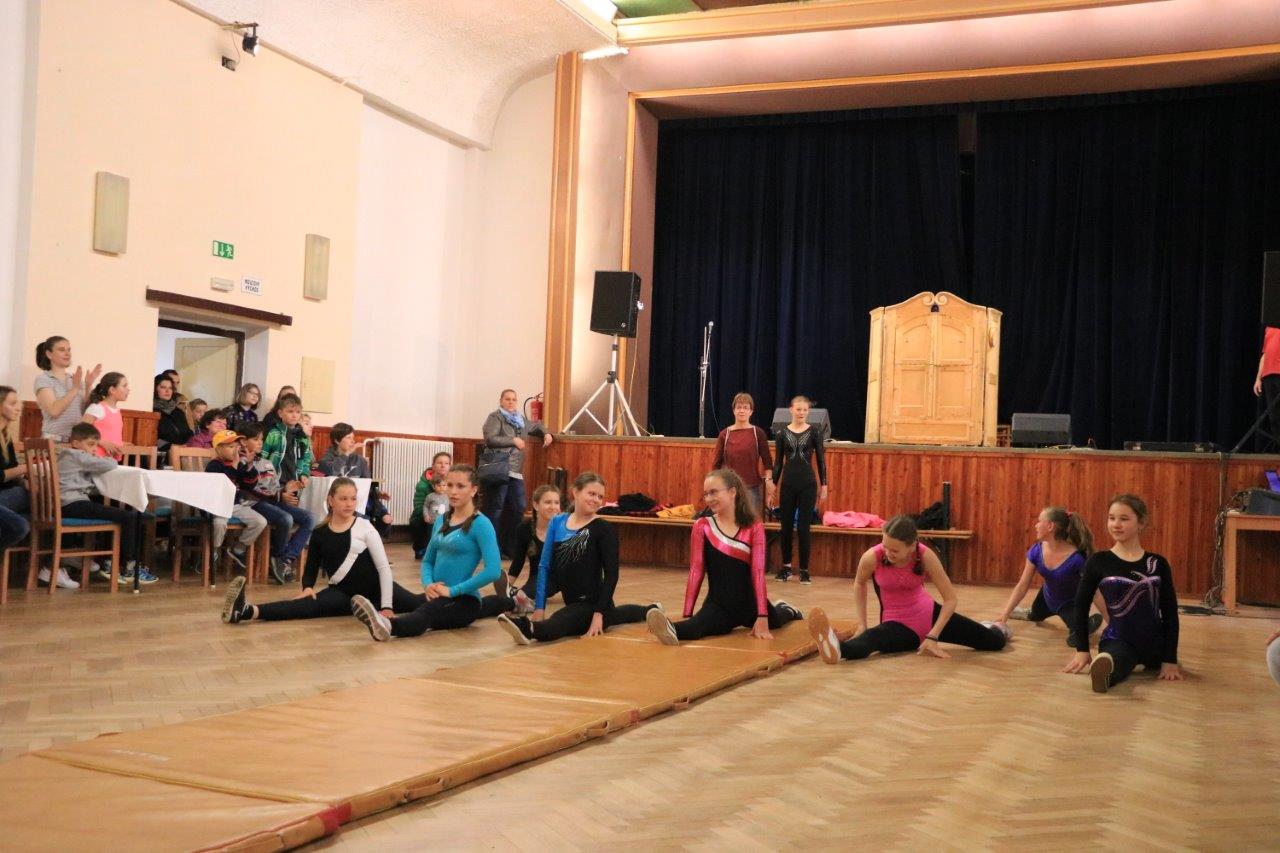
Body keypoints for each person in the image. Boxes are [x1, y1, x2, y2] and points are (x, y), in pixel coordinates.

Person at [807, 515, 1008, 664]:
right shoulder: (872, 557)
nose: (888, 552)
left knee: (995, 643)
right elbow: (859, 583)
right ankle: (835, 647)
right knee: (871, 640)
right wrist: (862, 624)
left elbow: (950, 599)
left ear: (912, 546)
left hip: (929, 615)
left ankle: (994, 626)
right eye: (885, 545)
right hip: (896, 624)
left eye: (894, 550)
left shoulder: (925, 555)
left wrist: (933, 636)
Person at [221, 478, 422, 625]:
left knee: (418, 603)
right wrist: (307, 586)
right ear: (331, 500)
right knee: (305, 606)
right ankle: (246, 611)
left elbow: (384, 569)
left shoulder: (366, 527)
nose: (349, 503)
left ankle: (442, 599)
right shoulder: (320, 532)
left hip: (377, 592)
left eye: (353, 499)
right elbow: (311, 566)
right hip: (343, 594)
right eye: (343, 499)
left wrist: (386, 606)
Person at [495, 471, 660, 645]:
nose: (596, 499)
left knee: (563, 620)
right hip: (573, 601)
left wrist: (599, 615)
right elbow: (544, 566)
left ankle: (528, 629)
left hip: (594, 604)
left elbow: (612, 574)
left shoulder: (603, 528)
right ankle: (649, 610)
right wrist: (539, 607)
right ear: (576, 492)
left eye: (600, 496)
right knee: (617, 615)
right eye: (591, 493)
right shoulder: (557, 522)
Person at [646, 469, 802, 645]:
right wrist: (688, 614)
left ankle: (786, 608)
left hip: (749, 605)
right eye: (706, 494)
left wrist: (762, 615)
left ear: (732, 492)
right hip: (718, 606)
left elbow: (758, 573)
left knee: (777, 621)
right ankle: (670, 628)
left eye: (713, 492)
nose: (709, 498)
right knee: (696, 627)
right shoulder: (702, 526)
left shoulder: (753, 527)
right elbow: (696, 571)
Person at [350, 464, 500, 641]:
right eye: (449, 485)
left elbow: (493, 571)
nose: (453, 491)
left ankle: (388, 626)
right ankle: (510, 601)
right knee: (411, 602)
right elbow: (428, 560)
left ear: (473, 490)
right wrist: (428, 584)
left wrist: (452, 591)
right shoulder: (442, 520)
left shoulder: (481, 524)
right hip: (437, 593)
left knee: (426, 613)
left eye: (460, 486)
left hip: (464, 600)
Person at [1063, 494, 1183, 693]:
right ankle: (1105, 670)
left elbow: (1170, 612)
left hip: (1155, 640)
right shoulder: (1098, 561)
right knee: (1118, 661)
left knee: (1158, 658)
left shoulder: (1157, 563)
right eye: (1112, 518)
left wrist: (1170, 659)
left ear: (1141, 522)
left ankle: (1132, 661)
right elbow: (1081, 606)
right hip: (1119, 639)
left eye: (1124, 519)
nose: (1116, 524)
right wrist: (1082, 650)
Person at [58, 422, 156, 585]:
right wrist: (107, 457)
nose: (94, 449)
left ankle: (111, 562)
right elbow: (110, 464)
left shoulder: (65, 456)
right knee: (128, 517)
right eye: (90, 444)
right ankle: (128, 565)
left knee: (118, 514)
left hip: (66, 504)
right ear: (75, 443)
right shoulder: (77, 455)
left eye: (96, 445)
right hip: (74, 504)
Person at [992, 507, 1105, 647]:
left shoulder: (1077, 559)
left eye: (1039, 521)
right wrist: (1004, 615)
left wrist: (1113, 625)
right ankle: (1026, 613)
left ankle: (1085, 625)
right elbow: (1022, 585)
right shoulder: (1036, 550)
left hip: (1068, 604)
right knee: (1034, 615)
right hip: (1045, 598)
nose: (1036, 525)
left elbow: (1095, 593)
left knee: (1078, 629)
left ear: (1051, 526)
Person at [481, 389, 553, 556]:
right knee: (495, 509)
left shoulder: (520, 419)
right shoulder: (495, 417)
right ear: (501, 401)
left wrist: (547, 433)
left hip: (515, 471)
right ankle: (492, 549)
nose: (511, 402)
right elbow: (490, 438)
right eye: (507, 399)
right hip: (499, 468)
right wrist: (512, 440)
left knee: (518, 508)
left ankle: (511, 548)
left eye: (514, 399)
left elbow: (536, 426)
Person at [238, 422, 309, 584]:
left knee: (310, 518)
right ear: (243, 441)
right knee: (286, 519)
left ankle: (285, 559)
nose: (260, 443)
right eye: (256, 439)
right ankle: (277, 556)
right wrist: (279, 495)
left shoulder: (267, 463)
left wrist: (286, 490)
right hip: (253, 502)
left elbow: (274, 487)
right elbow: (251, 489)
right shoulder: (240, 462)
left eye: (261, 440)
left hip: (273, 501)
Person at [478, 484, 562, 619]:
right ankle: (479, 607)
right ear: (536, 505)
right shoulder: (525, 528)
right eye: (548, 502)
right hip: (536, 578)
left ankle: (513, 602)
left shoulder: (564, 527)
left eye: (556, 503)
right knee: (516, 597)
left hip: (556, 578)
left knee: (517, 598)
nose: (553, 507)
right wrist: (508, 583)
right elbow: (518, 560)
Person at [772, 395, 827, 585]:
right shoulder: (781, 433)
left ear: (808, 411)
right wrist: (773, 484)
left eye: (804, 410)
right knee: (786, 527)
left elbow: (821, 461)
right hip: (788, 484)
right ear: (791, 410)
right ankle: (786, 567)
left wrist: (824, 485)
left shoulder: (814, 432)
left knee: (804, 528)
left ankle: (804, 570)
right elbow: (778, 463)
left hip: (808, 485)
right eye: (798, 409)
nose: (801, 412)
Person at [204, 430, 269, 571]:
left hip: (236, 505)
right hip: (219, 506)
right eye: (230, 447)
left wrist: (249, 465)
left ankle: (239, 548)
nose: (235, 450)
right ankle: (214, 551)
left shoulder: (239, 464)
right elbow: (224, 484)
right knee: (219, 524)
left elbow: (249, 485)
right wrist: (234, 466)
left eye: (236, 446)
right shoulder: (214, 465)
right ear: (218, 449)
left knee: (260, 522)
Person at [317, 422, 391, 534]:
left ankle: (370, 542)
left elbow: (367, 485)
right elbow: (331, 471)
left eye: (353, 438)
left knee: (386, 519)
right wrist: (345, 454)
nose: (352, 441)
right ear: (337, 440)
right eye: (348, 437)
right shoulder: (326, 459)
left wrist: (378, 493)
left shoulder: (360, 461)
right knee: (363, 519)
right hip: (339, 503)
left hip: (360, 499)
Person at [712, 393, 773, 514]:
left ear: (751, 412)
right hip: (729, 487)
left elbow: (767, 461)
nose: (742, 410)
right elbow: (716, 463)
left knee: (751, 522)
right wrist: (714, 485)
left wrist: (769, 480)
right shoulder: (724, 434)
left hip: (752, 488)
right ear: (733, 411)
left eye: (745, 407)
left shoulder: (758, 433)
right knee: (729, 521)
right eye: (739, 407)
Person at [33, 335, 100, 441]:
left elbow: (85, 412)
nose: (67, 354)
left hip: (76, 440)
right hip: (54, 440)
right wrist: (74, 389)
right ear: (49, 354)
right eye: (61, 350)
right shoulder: (43, 379)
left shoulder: (74, 380)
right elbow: (54, 411)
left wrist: (88, 386)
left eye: (69, 350)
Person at [262, 394, 312, 506]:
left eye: (298, 412)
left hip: (294, 482)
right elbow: (263, 458)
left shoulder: (302, 437)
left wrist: (304, 474)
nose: (294, 415)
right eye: (290, 411)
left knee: (294, 511)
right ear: (280, 413)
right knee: (282, 513)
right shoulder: (273, 433)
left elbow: (306, 459)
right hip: (275, 484)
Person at [0, 386, 31, 560]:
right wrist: (26, 468)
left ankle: (47, 565)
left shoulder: (6, 436)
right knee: (21, 524)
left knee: (41, 514)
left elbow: (11, 475)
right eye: (12, 403)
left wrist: (25, 480)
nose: (18, 407)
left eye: (18, 403)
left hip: (6, 495)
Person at [410, 451, 451, 560]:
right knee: (417, 522)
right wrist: (429, 516)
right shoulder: (423, 485)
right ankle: (421, 548)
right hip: (428, 517)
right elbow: (419, 506)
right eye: (440, 463)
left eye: (446, 463)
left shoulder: (453, 482)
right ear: (433, 465)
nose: (443, 465)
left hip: (447, 516)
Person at [82, 372, 129, 460]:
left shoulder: (117, 411)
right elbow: (80, 431)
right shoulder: (97, 408)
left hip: (111, 461)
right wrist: (101, 442)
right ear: (112, 390)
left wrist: (121, 443)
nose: (128, 389)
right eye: (124, 386)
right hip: (95, 460)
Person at [1254, 325, 1280, 451]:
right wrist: (1258, 378)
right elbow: (1265, 354)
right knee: (1274, 417)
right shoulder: (1269, 327)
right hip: (1268, 375)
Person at [153, 373, 192, 452]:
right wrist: (171, 446)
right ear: (155, 389)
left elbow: (188, 434)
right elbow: (152, 438)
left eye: (170, 388)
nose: (167, 391)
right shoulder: (151, 411)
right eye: (163, 387)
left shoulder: (178, 412)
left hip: (183, 453)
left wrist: (188, 445)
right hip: (162, 454)